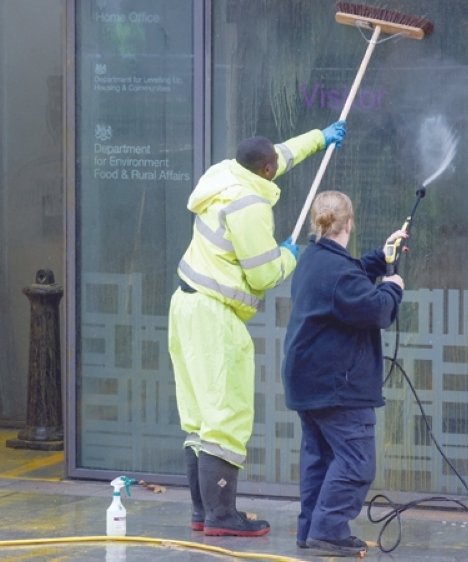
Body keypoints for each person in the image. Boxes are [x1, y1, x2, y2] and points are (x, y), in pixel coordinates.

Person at [169, 121, 347, 537]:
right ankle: (221, 518)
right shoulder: (249, 206)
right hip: (215, 317)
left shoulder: (224, 173)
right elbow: (265, 274)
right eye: (273, 166)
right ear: (264, 171)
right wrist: (288, 255)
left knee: (198, 417)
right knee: (225, 417)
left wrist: (321, 138)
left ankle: (201, 512)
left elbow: (282, 153)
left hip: (186, 306)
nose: (277, 166)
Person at [281, 190, 406, 557]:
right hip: (337, 388)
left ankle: (312, 530)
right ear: (349, 223)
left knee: (319, 458)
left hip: (307, 382)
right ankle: (330, 531)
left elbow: (348, 280)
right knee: (355, 462)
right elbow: (377, 311)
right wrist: (393, 288)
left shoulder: (314, 259)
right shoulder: (338, 274)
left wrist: (380, 257)